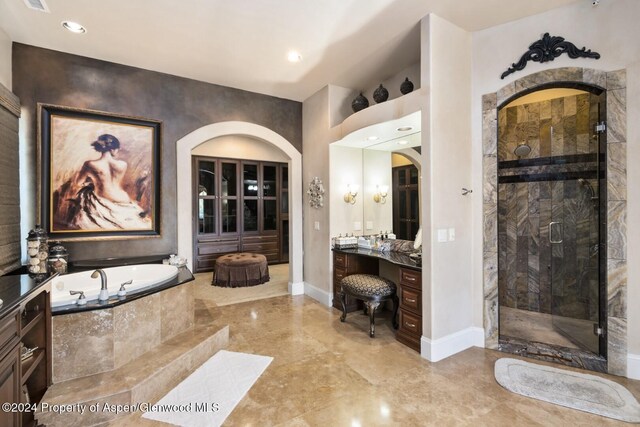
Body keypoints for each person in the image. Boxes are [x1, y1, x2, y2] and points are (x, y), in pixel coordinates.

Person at [54, 134, 151, 230]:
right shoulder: (122, 165)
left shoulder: (91, 164)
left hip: (104, 197)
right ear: (113, 149)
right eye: (117, 149)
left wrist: (90, 183)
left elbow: (78, 183)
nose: (117, 151)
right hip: (123, 198)